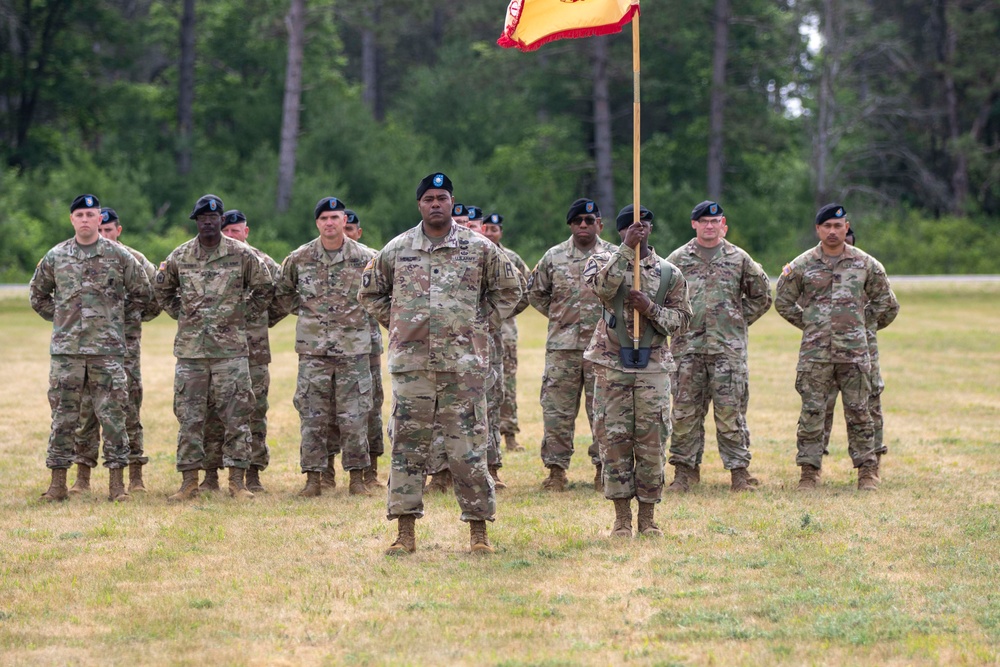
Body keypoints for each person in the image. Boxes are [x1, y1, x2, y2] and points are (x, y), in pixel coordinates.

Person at [358, 172, 522, 554]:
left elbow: (511, 289)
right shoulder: (397, 249)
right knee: (407, 448)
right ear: (419, 204)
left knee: (468, 449)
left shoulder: (478, 248)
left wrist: (481, 326)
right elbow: (370, 292)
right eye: (429, 198)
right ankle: (405, 532)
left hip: (462, 367)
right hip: (412, 367)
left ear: (452, 203)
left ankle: (478, 532)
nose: (436, 204)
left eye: (442, 198)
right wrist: (399, 324)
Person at [29, 194, 151, 502]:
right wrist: (61, 321)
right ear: (72, 220)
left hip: (107, 353)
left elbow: (142, 292)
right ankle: (58, 484)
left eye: (90, 214)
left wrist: (115, 322)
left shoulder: (119, 256)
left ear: (101, 219)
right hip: (67, 353)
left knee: (113, 418)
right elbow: (38, 295)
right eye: (79, 214)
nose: (85, 219)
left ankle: (117, 485)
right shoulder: (56, 256)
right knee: (64, 418)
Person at [154, 194, 274, 501]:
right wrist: (184, 314)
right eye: (203, 218)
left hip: (231, 352)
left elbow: (264, 287)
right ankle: (189, 482)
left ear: (221, 220)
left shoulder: (240, 254)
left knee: (237, 416)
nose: (208, 222)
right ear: (196, 222)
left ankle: (237, 482)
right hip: (192, 352)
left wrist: (240, 315)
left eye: (214, 217)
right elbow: (163, 290)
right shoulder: (181, 256)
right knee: (190, 417)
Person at [775, 203, 899, 491]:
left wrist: (860, 324)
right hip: (815, 356)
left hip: (855, 354)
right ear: (818, 229)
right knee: (813, 413)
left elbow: (887, 304)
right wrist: (811, 325)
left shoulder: (866, 264)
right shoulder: (802, 265)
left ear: (847, 227)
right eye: (827, 226)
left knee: (860, 412)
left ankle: (868, 471)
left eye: (838, 226)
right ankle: (809, 471)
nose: (832, 231)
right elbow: (782, 301)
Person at [584, 204, 691, 536]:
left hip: (653, 368)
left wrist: (651, 308)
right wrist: (624, 251)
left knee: (652, 441)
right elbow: (602, 288)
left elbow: (683, 321)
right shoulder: (601, 262)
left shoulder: (669, 273)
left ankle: (647, 518)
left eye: (644, 225)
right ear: (620, 231)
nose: (639, 229)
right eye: (632, 226)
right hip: (611, 365)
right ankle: (621, 519)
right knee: (614, 442)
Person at [270, 197, 377, 497]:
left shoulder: (367, 258)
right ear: (317, 223)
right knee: (312, 416)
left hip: (353, 350)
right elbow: (282, 291)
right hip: (313, 352)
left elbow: (383, 291)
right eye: (324, 218)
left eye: (335, 217)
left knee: (355, 416)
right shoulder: (300, 257)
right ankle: (314, 478)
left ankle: (357, 477)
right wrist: (307, 313)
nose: (329, 223)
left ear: (345, 221)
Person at [665, 201, 772, 492]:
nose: (709, 225)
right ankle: (684, 473)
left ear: (723, 223)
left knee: (730, 413)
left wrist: (736, 320)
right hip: (688, 351)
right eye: (703, 221)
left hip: (727, 353)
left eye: (715, 221)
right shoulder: (677, 259)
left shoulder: (738, 258)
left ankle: (739, 473)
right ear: (694, 224)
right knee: (685, 413)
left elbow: (762, 296)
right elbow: (662, 299)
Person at [69, 207, 161, 495]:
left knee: (128, 410)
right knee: (86, 413)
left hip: (124, 350)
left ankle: (135, 476)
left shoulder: (134, 260)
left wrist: (127, 316)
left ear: (117, 231)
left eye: (110, 230)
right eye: (102, 228)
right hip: (87, 348)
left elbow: (155, 298)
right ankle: (82, 477)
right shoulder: (79, 256)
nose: (104, 234)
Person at [528, 198, 615, 491]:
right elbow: (537, 293)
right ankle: (556, 471)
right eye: (577, 220)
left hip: (603, 348)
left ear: (599, 224)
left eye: (589, 221)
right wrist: (560, 318)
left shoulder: (614, 256)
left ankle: (603, 468)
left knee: (603, 411)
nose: (583, 225)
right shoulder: (553, 257)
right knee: (556, 412)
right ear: (570, 224)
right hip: (562, 349)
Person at [200, 210, 281, 493]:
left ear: (247, 232)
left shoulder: (263, 262)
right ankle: (210, 474)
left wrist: (260, 319)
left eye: (237, 231)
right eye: (228, 231)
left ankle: (253, 474)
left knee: (254, 413)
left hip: (253, 354)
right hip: (217, 353)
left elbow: (281, 296)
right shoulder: (212, 259)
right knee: (213, 413)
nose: (233, 235)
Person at [344, 209, 386, 489]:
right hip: (328, 347)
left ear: (359, 232)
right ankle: (324, 474)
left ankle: (370, 472)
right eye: (341, 226)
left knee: (369, 409)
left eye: (351, 229)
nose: (345, 233)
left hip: (367, 347)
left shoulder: (372, 258)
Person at [482, 213, 531, 452]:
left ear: (501, 232)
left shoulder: (510, 258)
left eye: (494, 229)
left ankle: (509, 434)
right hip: (477, 335)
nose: (490, 233)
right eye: (486, 228)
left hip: (505, 333)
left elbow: (527, 290)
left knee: (506, 386)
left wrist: (501, 314)